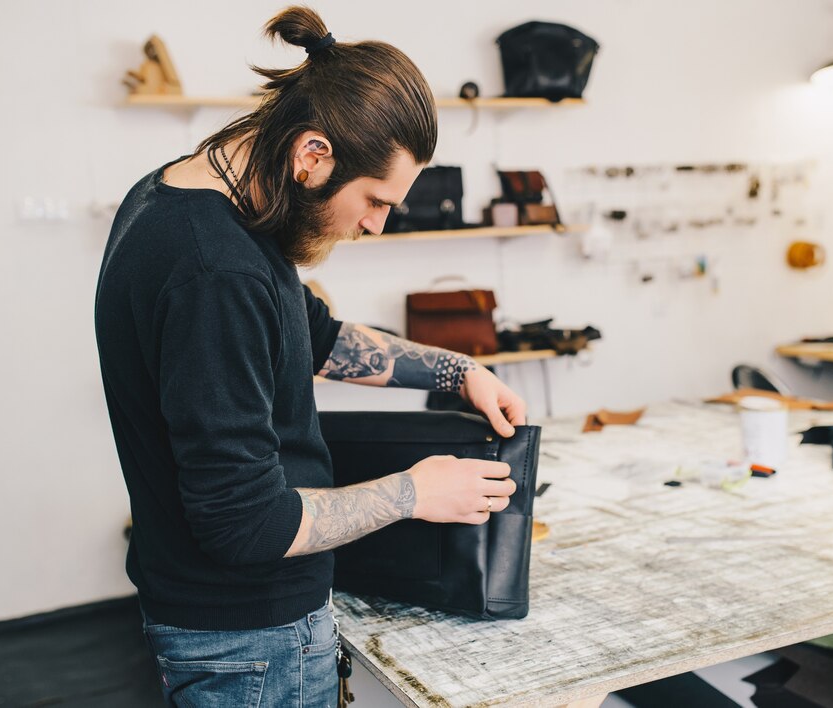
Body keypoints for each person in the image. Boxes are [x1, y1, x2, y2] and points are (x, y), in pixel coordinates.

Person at [94, 6, 526, 706]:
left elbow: (315, 336)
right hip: (249, 643)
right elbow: (244, 524)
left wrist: (459, 370)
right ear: (314, 155)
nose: (376, 224)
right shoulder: (216, 273)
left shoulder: (195, 196)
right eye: (376, 200)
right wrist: (417, 493)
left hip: (229, 629)